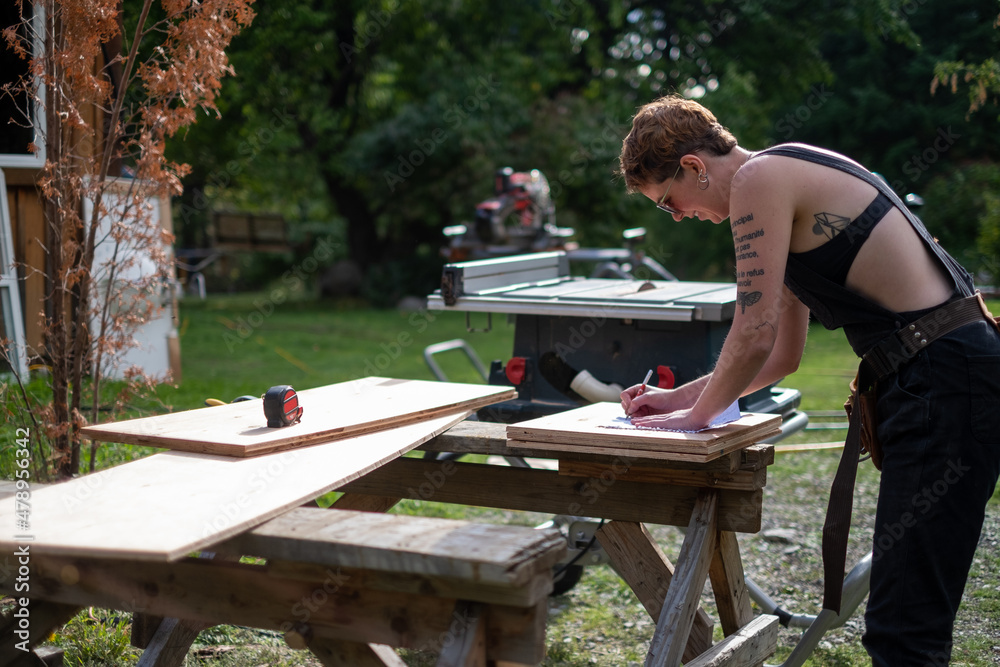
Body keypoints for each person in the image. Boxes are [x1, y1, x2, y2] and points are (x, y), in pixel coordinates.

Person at [617, 94, 1000, 666]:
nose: (676, 215)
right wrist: (675, 398)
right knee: (905, 620)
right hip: (941, 373)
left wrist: (693, 422)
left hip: (945, 378)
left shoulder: (759, 180)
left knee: (905, 629)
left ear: (693, 166)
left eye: (669, 201)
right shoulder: (780, 181)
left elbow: (753, 332)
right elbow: (780, 356)